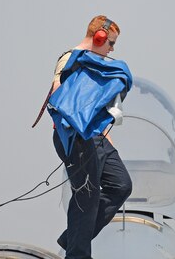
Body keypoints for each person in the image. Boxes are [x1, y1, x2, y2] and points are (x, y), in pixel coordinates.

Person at [48, 15, 133, 259]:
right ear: (99, 37)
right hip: (75, 136)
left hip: (96, 137)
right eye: (111, 43)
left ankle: (73, 237)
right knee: (87, 195)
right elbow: (59, 94)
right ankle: (77, 254)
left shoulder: (96, 63)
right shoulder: (70, 59)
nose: (112, 50)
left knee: (121, 185)